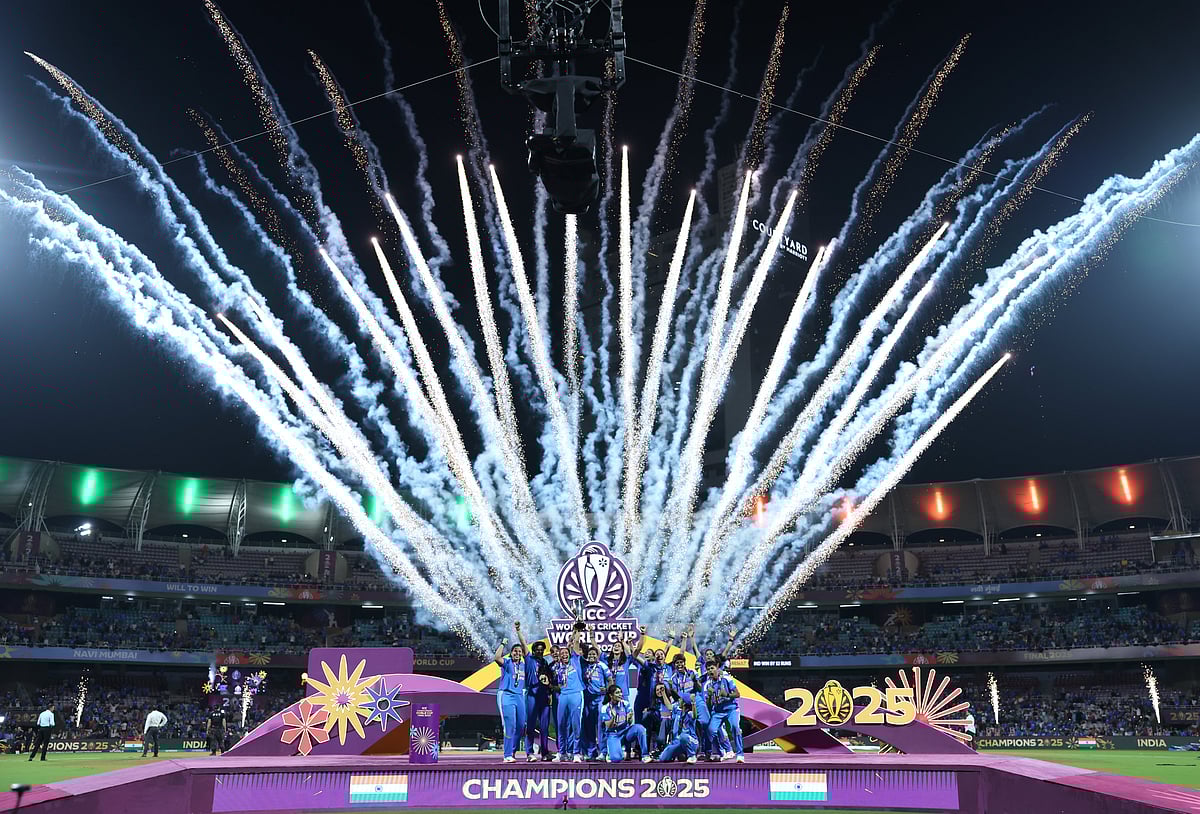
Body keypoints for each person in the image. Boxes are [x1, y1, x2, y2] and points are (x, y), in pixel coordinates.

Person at [685, 626, 730, 760]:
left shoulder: (716, 667)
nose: (708, 656)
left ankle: (724, 750)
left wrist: (731, 640)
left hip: (715, 700)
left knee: (717, 727)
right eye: (707, 654)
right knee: (704, 727)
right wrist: (691, 637)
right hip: (704, 700)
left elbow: (725, 653)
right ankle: (707, 751)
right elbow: (695, 650)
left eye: (711, 654)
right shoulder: (702, 667)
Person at [517, 625, 555, 762]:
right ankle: (529, 753)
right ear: (533, 651)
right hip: (532, 694)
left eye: (541, 650)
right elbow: (523, 644)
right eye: (537, 650)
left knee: (544, 726)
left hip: (544, 696)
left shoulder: (545, 662)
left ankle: (545, 753)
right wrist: (518, 631)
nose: (539, 651)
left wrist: (550, 693)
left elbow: (548, 680)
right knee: (531, 725)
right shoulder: (528, 659)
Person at [551, 622, 586, 762]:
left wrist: (577, 630)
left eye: (566, 653)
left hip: (576, 694)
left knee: (575, 724)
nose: (564, 655)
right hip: (563, 696)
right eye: (562, 653)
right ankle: (562, 752)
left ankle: (576, 753)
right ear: (559, 656)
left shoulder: (575, 660)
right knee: (561, 724)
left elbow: (575, 642)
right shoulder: (556, 667)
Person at [494, 623, 529, 762]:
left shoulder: (524, 665)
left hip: (519, 696)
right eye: (515, 651)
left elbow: (525, 647)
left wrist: (519, 632)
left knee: (521, 726)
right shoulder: (507, 662)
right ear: (511, 652)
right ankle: (507, 755)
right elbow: (497, 658)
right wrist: (503, 644)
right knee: (510, 725)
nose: (517, 653)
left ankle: (512, 753)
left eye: (519, 652)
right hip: (506, 695)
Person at [703, 659, 744, 762]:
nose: (710, 671)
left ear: (717, 668)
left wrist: (727, 695)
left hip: (731, 709)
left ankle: (740, 754)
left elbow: (737, 694)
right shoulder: (707, 685)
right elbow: (708, 705)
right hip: (718, 712)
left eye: (712, 668)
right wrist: (709, 696)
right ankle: (723, 751)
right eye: (708, 669)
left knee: (735, 727)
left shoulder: (726, 679)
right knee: (711, 731)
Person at [600, 685, 651, 763]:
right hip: (614, 735)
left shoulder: (625, 704)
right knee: (616, 759)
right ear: (611, 695)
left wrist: (629, 718)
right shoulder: (605, 708)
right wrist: (614, 717)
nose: (620, 694)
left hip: (626, 732)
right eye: (617, 693)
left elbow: (630, 722)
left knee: (640, 728)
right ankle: (610, 752)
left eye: (621, 692)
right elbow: (608, 726)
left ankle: (645, 755)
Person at [580, 643, 612, 760]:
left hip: (600, 698)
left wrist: (608, 691)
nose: (591, 656)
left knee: (600, 725)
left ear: (598, 655)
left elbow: (610, 679)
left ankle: (603, 752)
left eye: (594, 654)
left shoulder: (602, 665)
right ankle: (591, 751)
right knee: (588, 726)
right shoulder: (585, 666)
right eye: (589, 654)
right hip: (588, 699)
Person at [658, 692, 699, 764]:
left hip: (691, 742)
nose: (678, 700)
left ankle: (692, 756)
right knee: (663, 758)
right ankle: (679, 754)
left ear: (684, 703)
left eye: (680, 699)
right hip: (677, 742)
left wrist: (693, 703)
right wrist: (664, 693)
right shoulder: (677, 711)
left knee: (683, 736)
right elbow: (669, 706)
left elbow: (695, 716)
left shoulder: (689, 714)